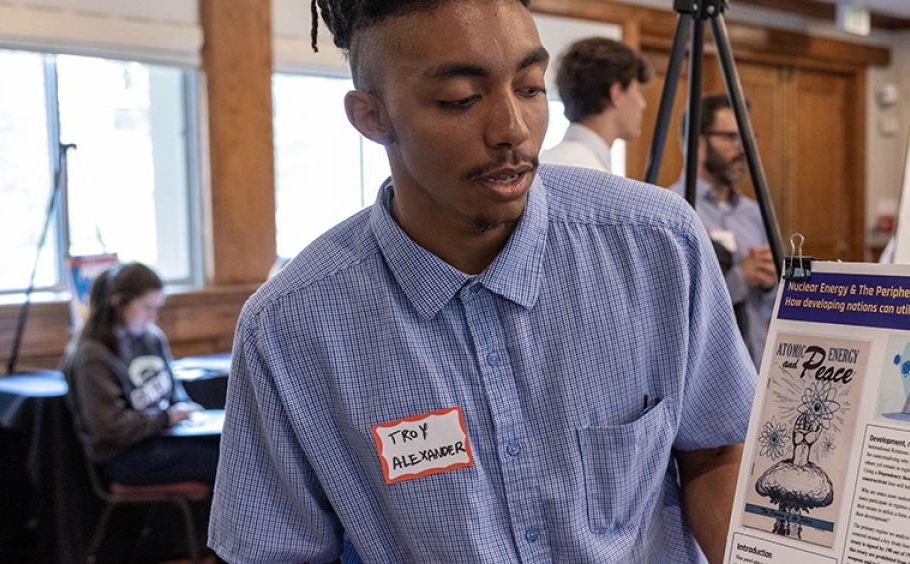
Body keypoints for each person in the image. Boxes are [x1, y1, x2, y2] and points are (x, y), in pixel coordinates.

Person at [208, 1, 757, 563]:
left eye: (530, 87)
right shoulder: (291, 327)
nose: (513, 130)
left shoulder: (656, 244)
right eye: (460, 100)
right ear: (371, 117)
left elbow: (718, 451)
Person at [61, 263, 218, 486]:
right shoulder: (93, 355)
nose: (153, 317)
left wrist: (190, 412)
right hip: (123, 456)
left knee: (235, 449)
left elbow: (174, 394)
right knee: (223, 462)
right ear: (118, 302)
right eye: (147, 307)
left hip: (162, 438)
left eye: (157, 308)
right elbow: (109, 427)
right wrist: (167, 417)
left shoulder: (152, 338)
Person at [670, 93, 775, 367]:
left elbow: (772, 304)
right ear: (699, 143)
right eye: (731, 137)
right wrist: (742, 278)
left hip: (758, 366)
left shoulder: (755, 212)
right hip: (705, 375)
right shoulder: (672, 211)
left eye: (747, 137)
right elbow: (675, 302)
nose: (743, 148)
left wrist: (770, 282)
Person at [540, 37, 652, 174]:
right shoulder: (591, 174)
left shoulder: (546, 160)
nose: (643, 104)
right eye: (638, 91)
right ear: (616, 94)